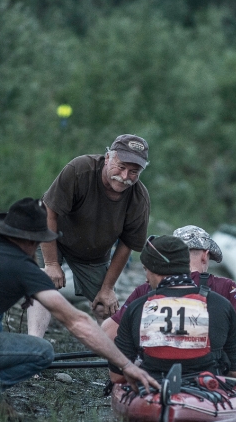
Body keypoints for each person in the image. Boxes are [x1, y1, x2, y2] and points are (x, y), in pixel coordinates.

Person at [0, 198, 159, 405]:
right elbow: (76, 321)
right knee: (42, 352)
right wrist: (125, 365)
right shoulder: (18, 265)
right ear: (30, 241)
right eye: (38, 243)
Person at [28, 134, 150, 337]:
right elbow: (49, 212)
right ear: (108, 157)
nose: (125, 176)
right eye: (121, 167)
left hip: (93, 254)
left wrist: (107, 288)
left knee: (105, 305)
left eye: (133, 171)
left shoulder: (139, 199)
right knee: (44, 282)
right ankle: (34, 341)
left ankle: (115, 353)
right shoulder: (80, 170)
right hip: (54, 239)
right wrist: (51, 264)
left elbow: (127, 245)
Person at [102, 225, 236, 340]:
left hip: (158, 371)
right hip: (211, 371)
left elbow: (107, 333)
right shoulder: (224, 287)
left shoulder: (146, 289)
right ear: (205, 255)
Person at [109, 235, 236, 383]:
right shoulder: (222, 305)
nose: (146, 279)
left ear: (155, 269)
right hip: (207, 388)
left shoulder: (137, 308)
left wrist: (136, 367)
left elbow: (117, 376)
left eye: (146, 270)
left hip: (152, 388)